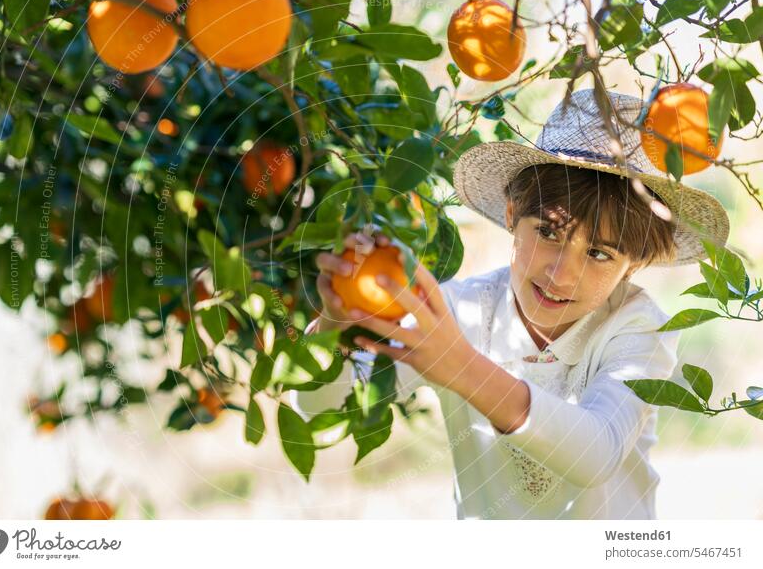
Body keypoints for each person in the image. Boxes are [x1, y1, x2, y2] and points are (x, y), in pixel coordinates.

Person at [289, 88, 730, 519]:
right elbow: (321, 406)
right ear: (511, 214)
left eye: (598, 254)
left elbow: (596, 454)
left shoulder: (637, 328)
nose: (561, 273)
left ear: (631, 266)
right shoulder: (459, 313)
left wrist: (460, 367)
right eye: (548, 233)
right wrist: (333, 323)